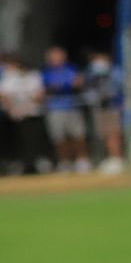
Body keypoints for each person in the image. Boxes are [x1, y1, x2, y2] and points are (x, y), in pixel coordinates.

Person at [40, 46, 89, 174]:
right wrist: (63, 86)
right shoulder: (46, 72)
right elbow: (46, 89)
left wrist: (61, 86)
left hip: (72, 106)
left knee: (78, 134)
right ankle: (65, 162)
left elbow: (78, 83)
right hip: (55, 108)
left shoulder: (71, 69)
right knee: (59, 137)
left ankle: (82, 161)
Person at [0, 55, 50, 174]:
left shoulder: (34, 76)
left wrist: (28, 105)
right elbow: (4, 95)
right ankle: (20, 164)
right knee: (18, 142)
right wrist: (13, 108)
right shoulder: (9, 77)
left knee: (34, 140)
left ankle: (36, 164)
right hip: (16, 115)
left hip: (33, 114)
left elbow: (39, 95)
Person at [83, 51, 124, 175]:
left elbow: (120, 87)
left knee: (113, 133)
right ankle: (111, 158)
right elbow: (88, 85)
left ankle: (117, 159)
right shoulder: (93, 73)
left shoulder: (116, 72)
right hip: (101, 108)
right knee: (105, 134)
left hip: (113, 107)